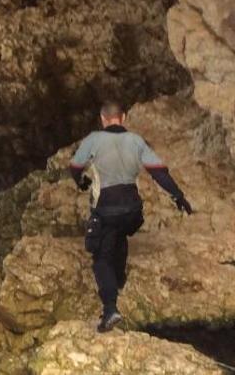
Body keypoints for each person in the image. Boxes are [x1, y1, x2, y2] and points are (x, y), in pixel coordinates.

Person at [69, 101, 192, 333]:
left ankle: (110, 309)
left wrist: (82, 181)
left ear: (103, 119)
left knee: (101, 257)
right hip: (132, 210)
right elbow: (159, 172)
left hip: (106, 209)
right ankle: (119, 279)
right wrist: (178, 197)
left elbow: (75, 167)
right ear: (123, 117)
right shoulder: (136, 141)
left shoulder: (94, 140)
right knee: (118, 235)